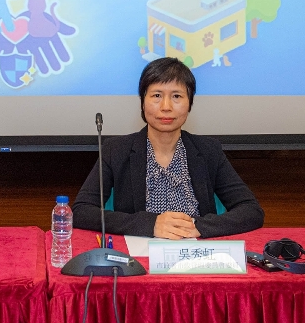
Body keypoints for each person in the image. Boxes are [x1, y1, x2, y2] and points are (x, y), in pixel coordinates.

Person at [73, 57, 264, 239]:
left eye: (177, 96)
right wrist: (150, 224)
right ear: (143, 102)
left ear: (190, 103)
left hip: (197, 253)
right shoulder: (116, 150)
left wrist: (199, 226)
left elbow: (251, 211)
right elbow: (81, 211)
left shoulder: (208, 150)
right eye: (157, 95)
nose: (166, 106)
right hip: (139, 255)